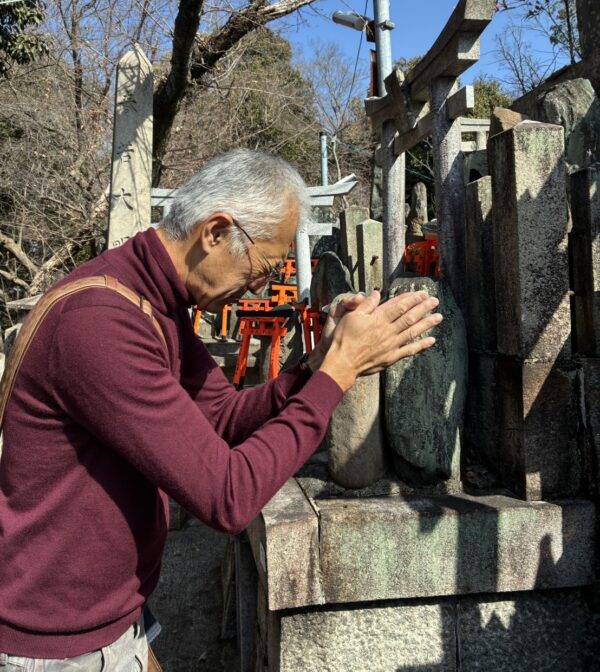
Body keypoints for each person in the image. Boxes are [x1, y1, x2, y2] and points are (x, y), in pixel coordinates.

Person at [0, 149, 442, 669]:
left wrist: (317, 364)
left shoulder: (156, 302)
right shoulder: (101, 322)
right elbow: (228, 496)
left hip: (114, 619)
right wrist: (336, 375)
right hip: (57, 641)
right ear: (214, 232)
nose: (260, 285)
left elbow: (222, 417)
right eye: (262, 267)